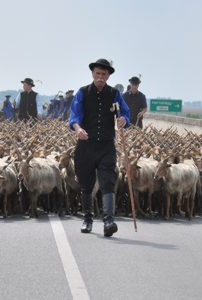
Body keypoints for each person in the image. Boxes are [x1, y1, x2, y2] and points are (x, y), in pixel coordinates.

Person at [69, 58, 130, 237]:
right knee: (86, 184)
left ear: (108, 76)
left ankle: (108, 221)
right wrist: (78, 129)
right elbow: (74, 116)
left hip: (106, 146)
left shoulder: (115, 94)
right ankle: (87, 219)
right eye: (98, 73)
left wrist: (123, 119)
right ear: (93, 74)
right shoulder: (82, 93)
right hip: (86, 146)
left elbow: (125, 113)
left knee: (107, 182)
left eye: (104, 74)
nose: (100, 77)